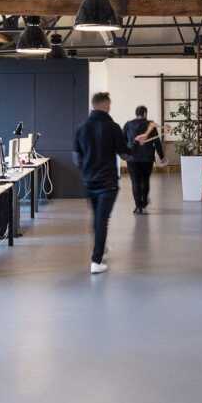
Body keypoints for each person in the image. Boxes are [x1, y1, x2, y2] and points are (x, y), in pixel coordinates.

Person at [75, 92, 143, 273]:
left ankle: (101, 248)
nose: (110, 107)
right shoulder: (113, 127)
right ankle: (96, 261)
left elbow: (76, 156)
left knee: (97, 217)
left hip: (89, 182)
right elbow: (125, 154)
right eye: (109, 104)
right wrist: (136, 143)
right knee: (102, 220)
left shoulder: (81, 127)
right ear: (105, 105)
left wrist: (86, 171)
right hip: (107, 183)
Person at [121, 105, 162, 214]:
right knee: (145, 180)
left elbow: (122, 141)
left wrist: (124, 154)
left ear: (136, 113)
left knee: (135, 182)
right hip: (147, 158)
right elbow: (157, 142)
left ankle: (138, 206)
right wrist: (162, 156)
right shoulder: (150, 125)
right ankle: (143, 203)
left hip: (132, 158)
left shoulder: (128, 125)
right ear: (145, 113)